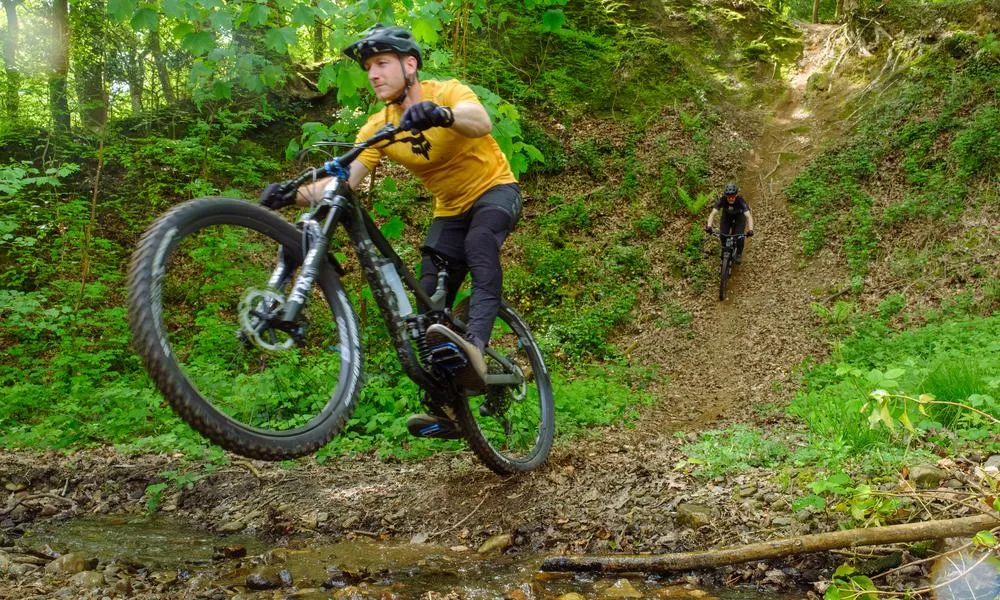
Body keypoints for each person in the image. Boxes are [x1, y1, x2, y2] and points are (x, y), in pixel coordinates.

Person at [259, 24, 522, 440]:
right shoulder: (378, 128)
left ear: (410, 64)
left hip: (495, 192)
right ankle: (449, 407)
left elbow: (481, 121)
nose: (373, 74)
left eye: (382, 63)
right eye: (368, 68)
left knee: (479, 245)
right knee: (429, 307)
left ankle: (477, 345)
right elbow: (345, 182)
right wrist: (290, 195)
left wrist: (443, 115)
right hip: (449, 210)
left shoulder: (446, 91)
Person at [705, 182, 754, 262]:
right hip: (727, 216)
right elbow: (712, 214)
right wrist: (709, 226)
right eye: (728, 196)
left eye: (733, 196)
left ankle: (738, 254)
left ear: (736, 195)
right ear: (725, 196)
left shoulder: (741, 201)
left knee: (740, 237)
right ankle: (724, 248)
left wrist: (750, 230)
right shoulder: (722, 200)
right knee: (723, 235)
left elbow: (749, 216)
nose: (731, 198)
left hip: (739, 217)